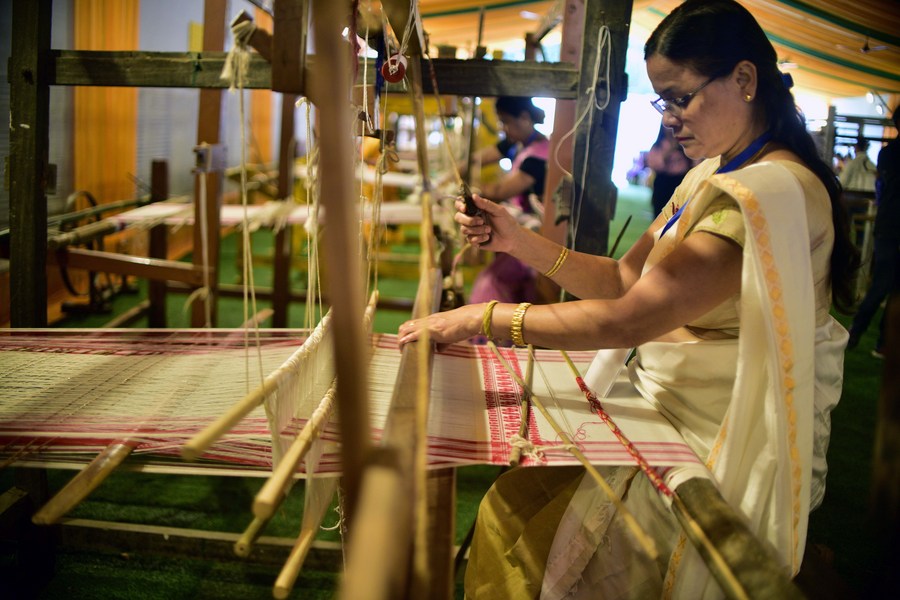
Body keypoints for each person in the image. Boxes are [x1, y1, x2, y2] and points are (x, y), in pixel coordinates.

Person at [398, 0, 859, 597]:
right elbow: (624, 278)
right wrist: (519, 242)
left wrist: (481, 316)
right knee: (510, 510)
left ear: (744, 80)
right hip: (663, 414)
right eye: (662, 100)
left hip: (716, 442)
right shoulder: (709, 175)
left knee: (544, 555)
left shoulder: (767, 196)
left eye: (681, 97)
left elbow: (630, 318)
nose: (670, 118)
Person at [464, 96, 550, 306]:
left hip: (534, 233)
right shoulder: (518, 143)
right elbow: (477, 159)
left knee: (492, 284)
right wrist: (448, 175)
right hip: (519, 227)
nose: (504, 129)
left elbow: (502, 191)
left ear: (524, 118)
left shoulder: (539, 155)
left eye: (506, 122)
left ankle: (496, 334)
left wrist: (470, 192)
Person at [848, 108, 900, 358]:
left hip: (886, 224)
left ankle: (861, 333)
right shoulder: (887, 155)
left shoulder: (887, 154)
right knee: (887, 287)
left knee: (882, 285)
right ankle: (879, 340)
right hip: (891, 226)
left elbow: (880, 188)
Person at [646, 122, 695, 216]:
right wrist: (670, 150)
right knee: (660, 213)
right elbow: (655, 164)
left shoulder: (685, 144)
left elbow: (693, 164)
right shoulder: (659, 145)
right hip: (663, 182)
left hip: (680, 181)